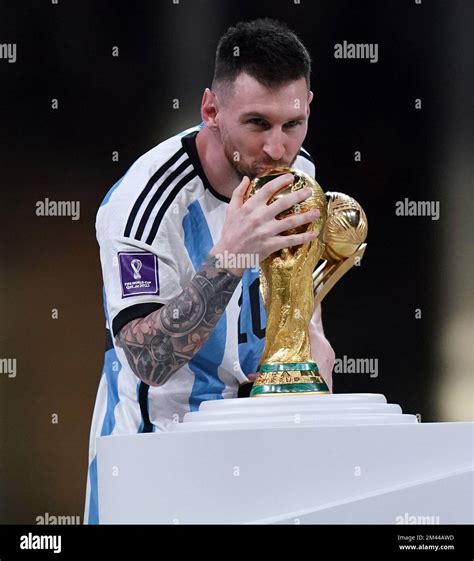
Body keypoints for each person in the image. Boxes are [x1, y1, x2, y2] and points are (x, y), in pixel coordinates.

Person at [84, 17, 335, 524]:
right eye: (257, 124)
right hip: (154, 458)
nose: (277, 148)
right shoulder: (143, 205)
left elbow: (300, 298)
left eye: (293, 124)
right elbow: (147, 361)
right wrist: (232, 255)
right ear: (211, 111)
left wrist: (313, 345)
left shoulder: (298, 172)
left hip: (255, 448)